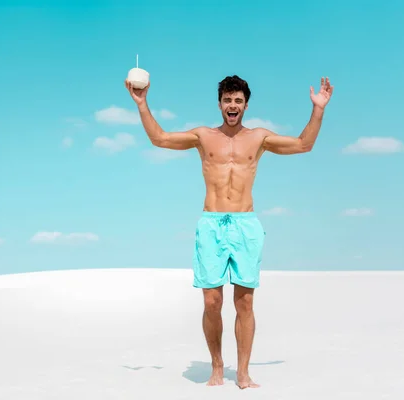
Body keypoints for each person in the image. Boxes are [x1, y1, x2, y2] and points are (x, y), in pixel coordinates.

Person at [125, 74, 334, 389]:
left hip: (245, 225)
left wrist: (318, 109)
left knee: (245, 302)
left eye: (238, 101)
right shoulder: (203, 136)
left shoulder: (259, 138)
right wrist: (142, 103)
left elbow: (304, 144)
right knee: (211, 301)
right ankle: (217, 366)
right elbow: (161, 139)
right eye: (227, 100)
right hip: (211, 223)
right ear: (220, 104)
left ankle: (244, 372)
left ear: (245, 105)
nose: (232, 105)